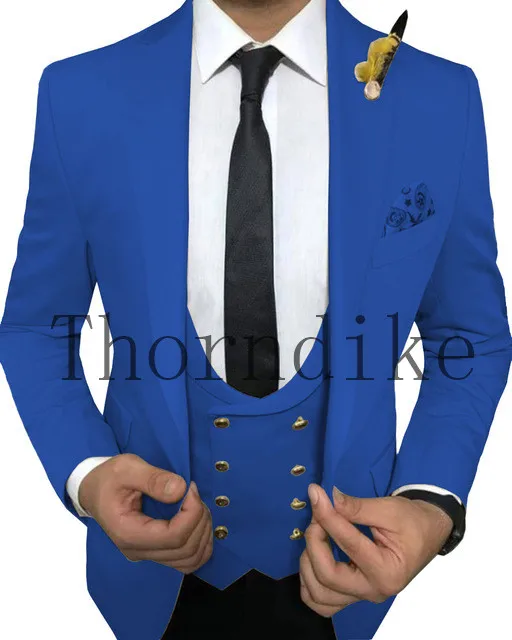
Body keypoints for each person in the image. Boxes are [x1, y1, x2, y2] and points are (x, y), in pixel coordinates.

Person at [0, 1, 510, 639]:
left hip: (354, 563)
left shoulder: (439, 99)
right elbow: (36, 327)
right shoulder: (82, 95)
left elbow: (469, 336)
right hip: (148, 574)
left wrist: (430, 501)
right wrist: (86, 471)